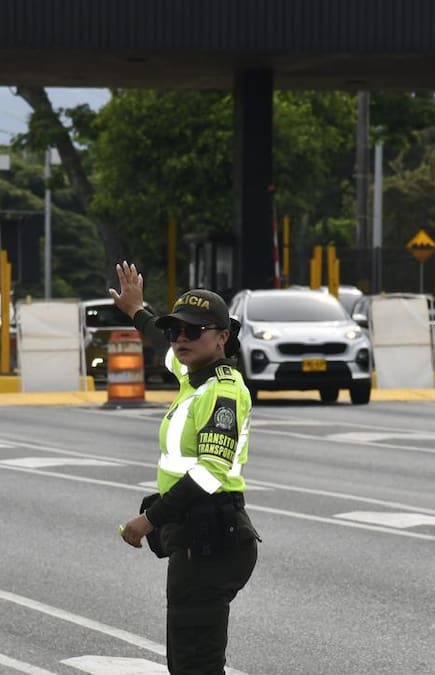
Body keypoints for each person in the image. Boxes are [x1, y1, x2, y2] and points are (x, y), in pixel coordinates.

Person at [112, 260, 260, 674]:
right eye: (175, 330)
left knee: (197, 664)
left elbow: (210, 473)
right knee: (185, 660)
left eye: (193, 331)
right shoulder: (193, 376)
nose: (180, 339)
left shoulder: (222, 392)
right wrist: (137, 311)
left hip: (213, 540)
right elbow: (163, 348)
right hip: (194, 538)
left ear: (222, 337)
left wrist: (148, 519)